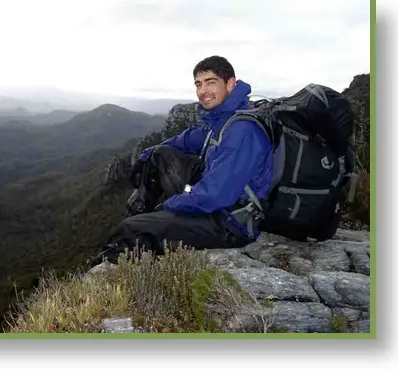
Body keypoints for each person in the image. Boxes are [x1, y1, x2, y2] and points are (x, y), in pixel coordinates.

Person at [95, 56, 274, 264]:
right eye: (199, 84)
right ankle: (139, 216)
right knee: (159, 155)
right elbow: (188, 139)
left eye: (211, 82)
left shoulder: (242, 131)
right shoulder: (222, 119)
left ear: (230, 84)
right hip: (215, 201)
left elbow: (214, 196)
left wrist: (169, 206)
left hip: (229, 222)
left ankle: (106, 266)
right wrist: (148, 153)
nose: (203, 91)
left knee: (130, 230)